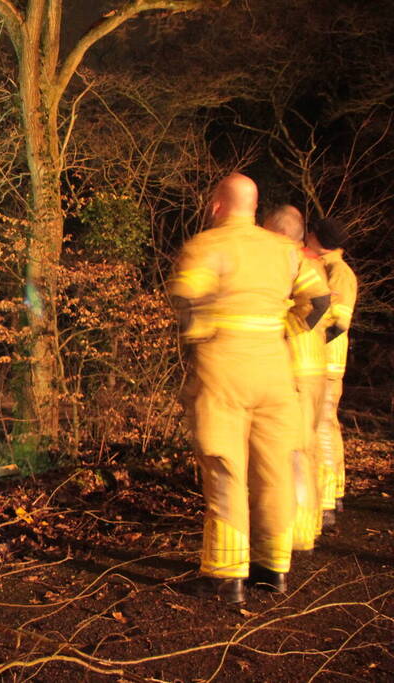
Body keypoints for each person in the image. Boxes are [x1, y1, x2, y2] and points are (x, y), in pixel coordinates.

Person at [168, 174, 330, 603]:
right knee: (274, 469)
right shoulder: (285, 250)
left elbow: (187, 300)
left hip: (224, 370)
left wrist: (201, 336)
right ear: (255, 208)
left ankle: (225, 576)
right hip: (274, 371)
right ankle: (272, 569)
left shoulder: (205, 246)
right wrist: (285, 329)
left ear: (218, 205)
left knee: (226, 468)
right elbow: (319, 301)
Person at [263, 205, 328, 553]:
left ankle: (297, 533)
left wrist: (284, 327)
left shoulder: (287, 260)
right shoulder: (310, 261)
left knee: (293, 452)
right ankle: (309, 525)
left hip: (296, 367)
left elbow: (318, 303)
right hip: (313, 366)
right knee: (307, 447)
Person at [306, 218, 357, 529]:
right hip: (327, 362)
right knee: (328, 426)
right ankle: (334, 492)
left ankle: (325, 502)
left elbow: (338, 322)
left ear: (317, 237)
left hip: (325, 363)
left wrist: (304, 338)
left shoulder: (337, 273)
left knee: (322, 427)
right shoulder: (332, 268)